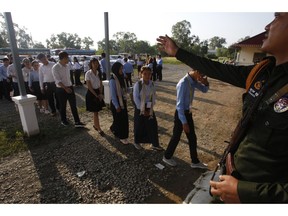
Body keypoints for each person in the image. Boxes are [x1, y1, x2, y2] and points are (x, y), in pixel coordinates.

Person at [156, 12, 288, 203]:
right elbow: (217, 69)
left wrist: (246, 192)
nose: (267, 26)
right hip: (228, 176)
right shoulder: (263, 71)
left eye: (277, 17)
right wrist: (178, 52)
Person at [162, 69, 209, 168]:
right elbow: (179, 106)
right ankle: (167, 156)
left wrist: (206, 82)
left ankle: (195, 162)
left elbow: (204, 90)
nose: (201, 78)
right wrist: (184, 122)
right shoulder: (183, 83)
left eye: (203, 76)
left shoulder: (193, 81)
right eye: (201, 75)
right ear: (195, 71)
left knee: (192, 138)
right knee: (176, 136)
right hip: (181, 114)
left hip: (188, 113)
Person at [133, 66, 163, 151]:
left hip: (149, 106)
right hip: (140, 107)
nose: (147, 76)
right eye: (145, 74)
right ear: (141, 74)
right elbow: (136, 98)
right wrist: (142, 110)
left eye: (149, 74)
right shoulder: (138, 85)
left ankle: (155, 143)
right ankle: (136, 142)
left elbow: (153, 96)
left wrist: (150, 108)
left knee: (153, 125)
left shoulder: (152, 84)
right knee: (139, 125)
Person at [52, 51, 85, 128]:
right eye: (67, 58)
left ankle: (77, 121)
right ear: (63, 58)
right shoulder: (55, 67)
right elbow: (57, 80)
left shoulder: (67, 66)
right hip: (61, 89)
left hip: (69, 87)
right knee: (63, 106)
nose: (68, 59)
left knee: (73, 105)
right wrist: (65, 88)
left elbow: (68, 78)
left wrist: (70, 86)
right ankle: (63, 120)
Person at [109, 62, 129, 144]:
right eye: (120, 69)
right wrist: (117, 106)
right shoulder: (113, 80)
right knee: (120, 120)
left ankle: (114, 129)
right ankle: (122, 137)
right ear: (116, 69)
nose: (122, 70)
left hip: (122, 101)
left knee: (122, 119)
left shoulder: (121, 78)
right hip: (116, 103)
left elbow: (124, 90)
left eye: (122, 68)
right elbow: (113, 95)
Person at [85, 58, 105, 136]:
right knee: (95, 112)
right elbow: (89, 86)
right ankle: (99, 128)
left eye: (97, 63)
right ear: (91, 64)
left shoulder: (99, 72)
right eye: (94, 63)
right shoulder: (88, 73)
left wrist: (100, 93)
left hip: (98, 92)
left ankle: (95, 125)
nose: (96, 65)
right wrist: (96, 95)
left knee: (96, 111)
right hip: (91, 93)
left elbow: (100, 84)